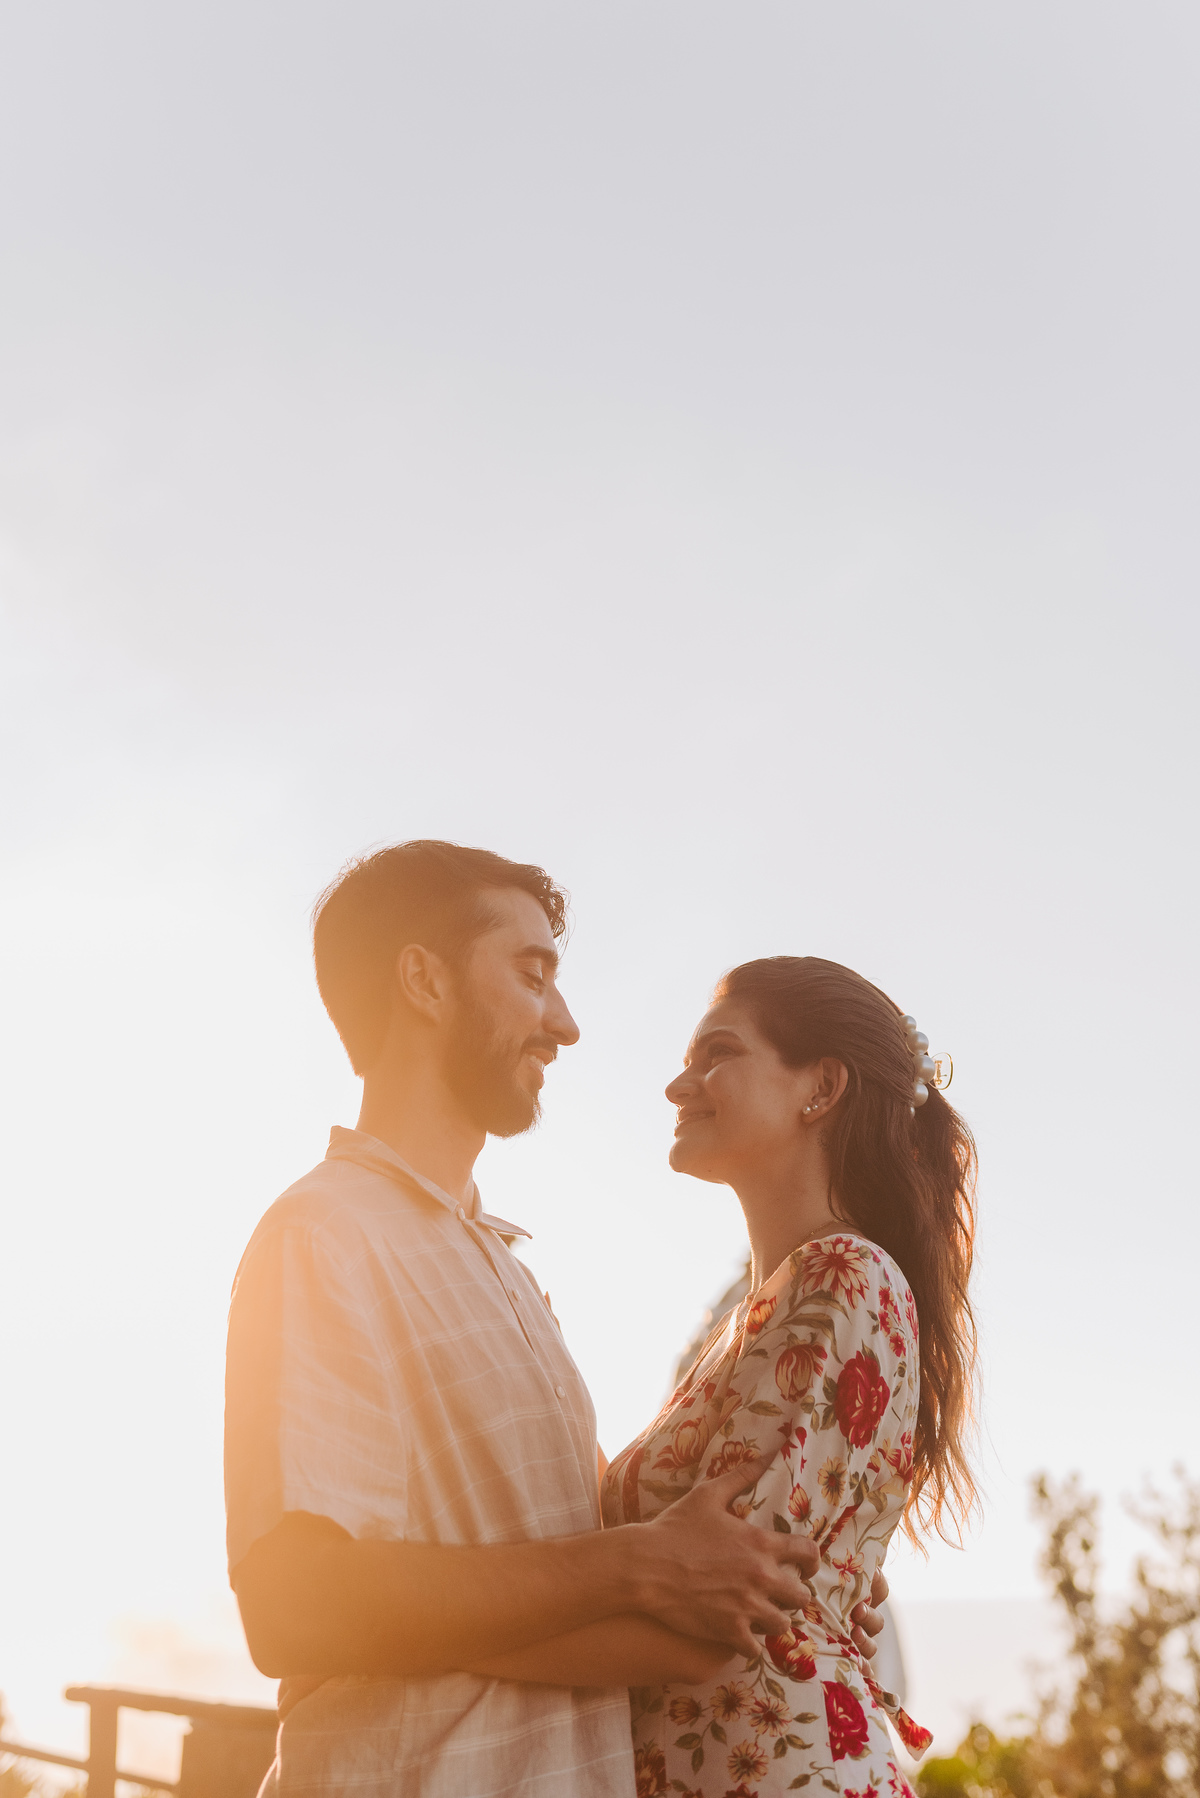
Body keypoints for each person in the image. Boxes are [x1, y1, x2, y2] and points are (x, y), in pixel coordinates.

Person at [224, 843, 888, 1798]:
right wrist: (640, 1570)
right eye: (533, 976)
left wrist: (789, 1590)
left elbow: (586, 1577)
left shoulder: (503, 1266)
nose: (565, 1025)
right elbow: (295, 1607)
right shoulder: (324, 1234)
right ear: (424, 980)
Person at [599, 956, 978, 1797]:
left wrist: (423, 1641)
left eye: (716, 1054)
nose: (677, 1085)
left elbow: (719, 1625)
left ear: (822, 1086)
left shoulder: (845, 1278)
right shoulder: (777, 1304)